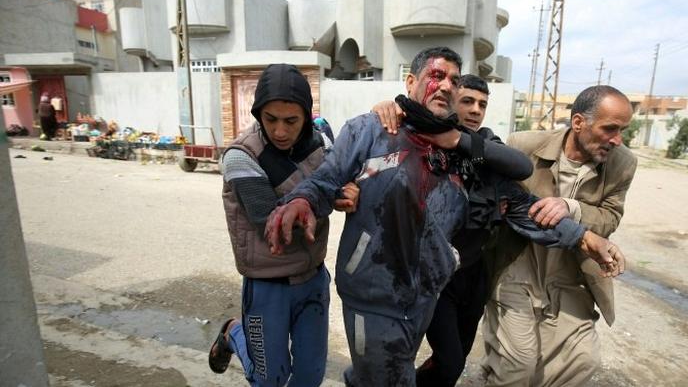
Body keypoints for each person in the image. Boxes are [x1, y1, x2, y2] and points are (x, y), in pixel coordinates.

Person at [265, 46, 542, 386]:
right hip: (374, 296)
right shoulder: (372, 130)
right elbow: (326, 179)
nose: (446, 86)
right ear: (411, 81)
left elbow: (521, 191)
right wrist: (303, 201)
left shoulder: (461, 152)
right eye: (436, 76)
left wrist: (581, 235)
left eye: (454, 81)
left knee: (386, 373)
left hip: (423, 298)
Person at [372, 76, 625, 387]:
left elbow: (525, 201)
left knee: (455, 359)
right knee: (429, 359)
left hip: (474, 273)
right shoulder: (418, 141)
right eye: (467, 101)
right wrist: (390, 108)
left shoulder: (487, 152)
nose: (476, 110)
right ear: (450, 100)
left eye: (482, 104)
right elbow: (370, 174)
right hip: (432, 277)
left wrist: (585, 237)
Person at [207, 64, 358, 387]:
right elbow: (272, 221)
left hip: (313, 279)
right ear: (258, 114)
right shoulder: (240, 157)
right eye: (270, 119)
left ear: (306, 116)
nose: (279, 131)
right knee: (269, 380)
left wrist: (349, 190)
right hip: (266, 286)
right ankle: (235, 332)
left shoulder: (322, 146)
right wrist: (331, 194)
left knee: (308, 378)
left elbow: (344, 180)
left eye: (291, 121)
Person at [483, 85, 637, 387]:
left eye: (623, 131)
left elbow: (610, 217)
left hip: (569, 274)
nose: (617, 140)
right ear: (578, 122)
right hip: (518, 265)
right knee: (519, 363)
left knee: (582, 359)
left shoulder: (622, 163)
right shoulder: (523, 145)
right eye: (610, 129)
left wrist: (572, 208)